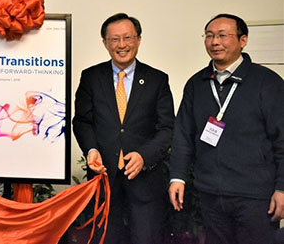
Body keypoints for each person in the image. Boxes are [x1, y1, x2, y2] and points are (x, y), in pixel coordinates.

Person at [169, 14, 284, 244]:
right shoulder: (197, 84)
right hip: (210, 194)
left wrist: (282, 188)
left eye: (223, 35)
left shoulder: (267, 82)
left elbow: (282, 140)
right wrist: (177, 177)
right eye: (209, 36)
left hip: (255, 196)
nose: (215, 42)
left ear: (243, 40)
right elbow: (182, 135)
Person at [72, 13, 174, 244]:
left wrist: (144, 156)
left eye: (127, 38)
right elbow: (82, 121)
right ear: (105, 43)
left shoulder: (157, 79)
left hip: (145, 180)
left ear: (138, 40)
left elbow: (167, 128)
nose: (121, 45)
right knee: (106, 238)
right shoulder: (91, 77)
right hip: (104, 178)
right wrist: (91, 150)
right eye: (114, 39)